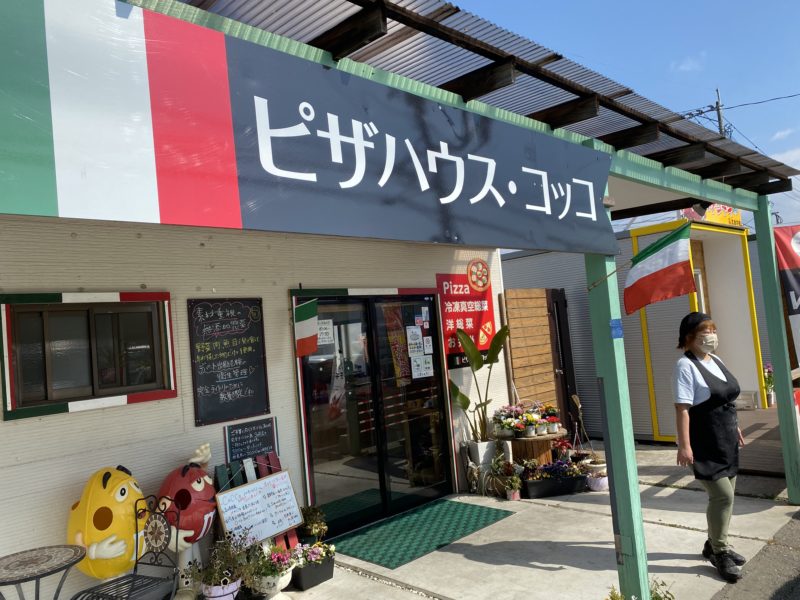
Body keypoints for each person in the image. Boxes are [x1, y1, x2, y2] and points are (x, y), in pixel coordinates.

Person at [672, 312, 746, 583]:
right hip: (704, 442)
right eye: (706, 331)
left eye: (713, 330)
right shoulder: (685, 366)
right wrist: (684, 446)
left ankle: (713, 543)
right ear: (689, 337)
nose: (711, 336)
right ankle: (720, 551)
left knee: (727, 497)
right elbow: (682, 409)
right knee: (722, 497)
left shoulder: (716, 360)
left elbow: (725, 400)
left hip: (725, 439)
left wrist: (735, 427)